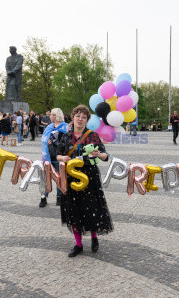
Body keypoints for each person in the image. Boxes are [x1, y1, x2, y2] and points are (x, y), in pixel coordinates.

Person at [56, 105, 113, 257]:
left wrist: (99, 154)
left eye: (83, 117)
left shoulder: (92, 135)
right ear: (72, 117)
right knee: (73, 210)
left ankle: (94, 238)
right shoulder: (66, 136)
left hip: (89, 178)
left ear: (87, 120)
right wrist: (63, 158)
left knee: (91, 208)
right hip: (71, 177)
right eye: (77, 116)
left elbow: (106, 156)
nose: (80, 119)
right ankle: (78, 244)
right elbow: (57, 155)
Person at [40, 108, 67, 207]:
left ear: (56, 116)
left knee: (59, 177)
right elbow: (43, 139)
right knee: (46, 176)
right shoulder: (49, 127)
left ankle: (59, 197)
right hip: (48, 156)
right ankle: (44, 197)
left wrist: (55, 141)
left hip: (59, 156)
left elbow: (67, 142)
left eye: (51, 114)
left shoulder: (65, 127)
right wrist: (47, 141)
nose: (50, 116)